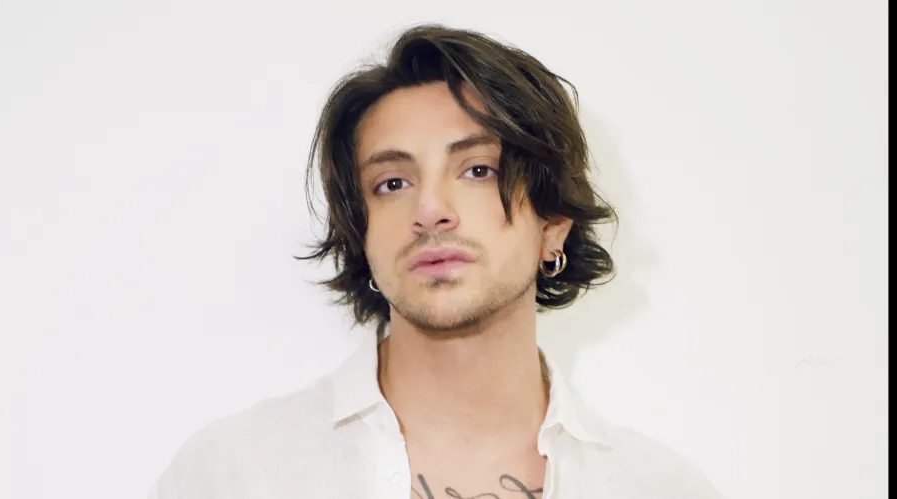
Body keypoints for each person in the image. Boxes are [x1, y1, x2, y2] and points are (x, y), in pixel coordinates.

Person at [149, 24, 722, 499]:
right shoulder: (232, 476)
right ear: (363, 235)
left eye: (478, 170)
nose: (429, 210)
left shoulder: (658, 488)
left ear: (553, 225)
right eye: (392, 183)